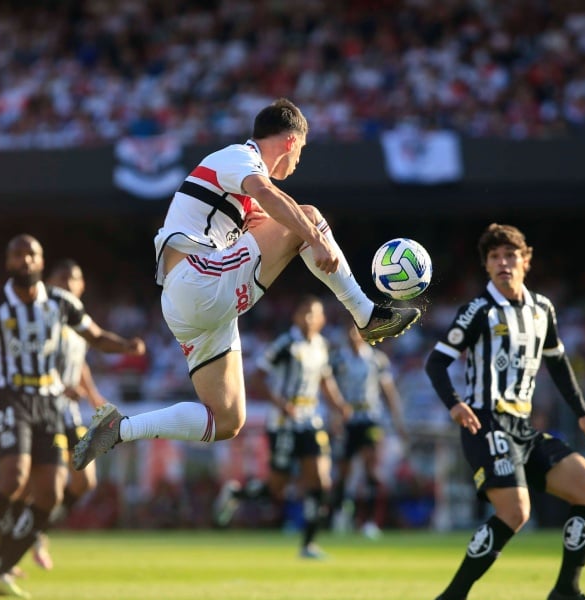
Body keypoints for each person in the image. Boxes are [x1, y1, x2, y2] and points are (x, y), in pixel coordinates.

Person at [72, 98, 420, 471]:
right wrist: (315, 238)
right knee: (308, 216)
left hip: (187, 304)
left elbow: (263, 218)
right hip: (198, 277)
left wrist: (303, 236)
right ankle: (366, 314)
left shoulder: (241, 192)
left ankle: (120, 428)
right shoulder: (237, 157)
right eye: (301, 150)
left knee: (227, 420)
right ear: (290, 141)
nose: (299, 160)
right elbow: (271, 198)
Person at [0, 234, 145, 599]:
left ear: (42, 262)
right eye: (18, 255)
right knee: (14, 476)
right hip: (10, 397)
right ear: (8, 263)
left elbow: (94, 336)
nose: (25, 261)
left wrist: (125, 345)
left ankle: (2, 568)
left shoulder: (60, 303)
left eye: (32, 255)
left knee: (52, 491)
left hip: (49, 402)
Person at [424, 223, 585, 600]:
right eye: (494, 257)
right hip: (485, 422)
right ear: (487, 266)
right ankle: (452, 599)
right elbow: (436, 362)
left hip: (522, 428)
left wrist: (583, 412)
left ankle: (566, 590)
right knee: (516, 511)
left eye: (510, 256)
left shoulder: (542, 308)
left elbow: (558, 363)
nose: (502, 263)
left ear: (525, 261)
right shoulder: (478, 311)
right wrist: (455, 404)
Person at [213, 295, 351, 558]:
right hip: (283, 424)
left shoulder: (322, 346)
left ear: (322, 320)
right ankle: (236, 494)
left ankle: (308, 544)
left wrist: (339, 405)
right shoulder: (285, 344)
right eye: (304, 313)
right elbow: (257, 378)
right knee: (277, 486)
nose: (308, 318)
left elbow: (325, 380)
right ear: (296, 317)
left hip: (312, 420)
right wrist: (281, 404)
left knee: (320, 482)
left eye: (314, 314)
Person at [29, 259, 110, 570]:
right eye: (60, 280)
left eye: (71, 280)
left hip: (71, 411)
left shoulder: (78, 322)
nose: (66, 285)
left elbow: (81, 363)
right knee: (47, 479)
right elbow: (32, 359)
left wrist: (92, 395)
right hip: (44, 409)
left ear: (81, 285)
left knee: (86, 480)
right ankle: (20, 537)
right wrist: (60, 385)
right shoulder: (43, 318)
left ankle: (38, 527)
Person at [328, 325, 409, 539]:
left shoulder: (377, 359)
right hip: (347, 420)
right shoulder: (337, 359)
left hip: (371, 419)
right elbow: (327, 388)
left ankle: (370, 522)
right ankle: (339, 516)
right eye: (350, 331)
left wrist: (397, 420)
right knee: (343, 471)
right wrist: (334, 416)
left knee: (371, 469)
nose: (353, 335)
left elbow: (388, 391)